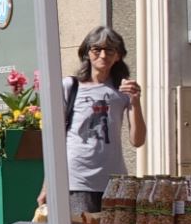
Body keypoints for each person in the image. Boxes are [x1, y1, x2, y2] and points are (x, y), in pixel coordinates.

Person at [41, 28, 145, 212]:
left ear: (118, 56)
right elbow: (54, 139)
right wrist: (47, 184)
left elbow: (137, 140)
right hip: (76, 180)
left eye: (110, 50)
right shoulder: (70, 86)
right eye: (97, 49)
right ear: (87, 53)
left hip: (113, 182)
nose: (103, 55)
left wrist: (135, 102)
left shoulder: (123, 90)